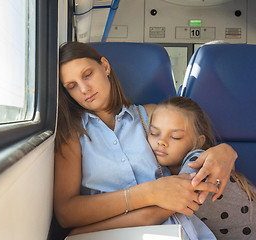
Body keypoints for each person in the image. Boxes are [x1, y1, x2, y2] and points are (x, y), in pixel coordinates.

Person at [54, 41, 237, 237]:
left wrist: (223, 151)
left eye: (88, 74)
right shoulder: (72, 135)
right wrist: (149, 193)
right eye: (72, 86)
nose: (84, 89)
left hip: (174, 228)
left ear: (105, 67)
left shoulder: (150, 115)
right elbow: (66, 213)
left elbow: (198, 162)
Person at [147, 96, 256, 239]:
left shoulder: (199, 162)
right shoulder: (166, 171)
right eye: (154, 133)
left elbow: (156, 213)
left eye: (175, 137)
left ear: (198, 142)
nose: (161, 141)